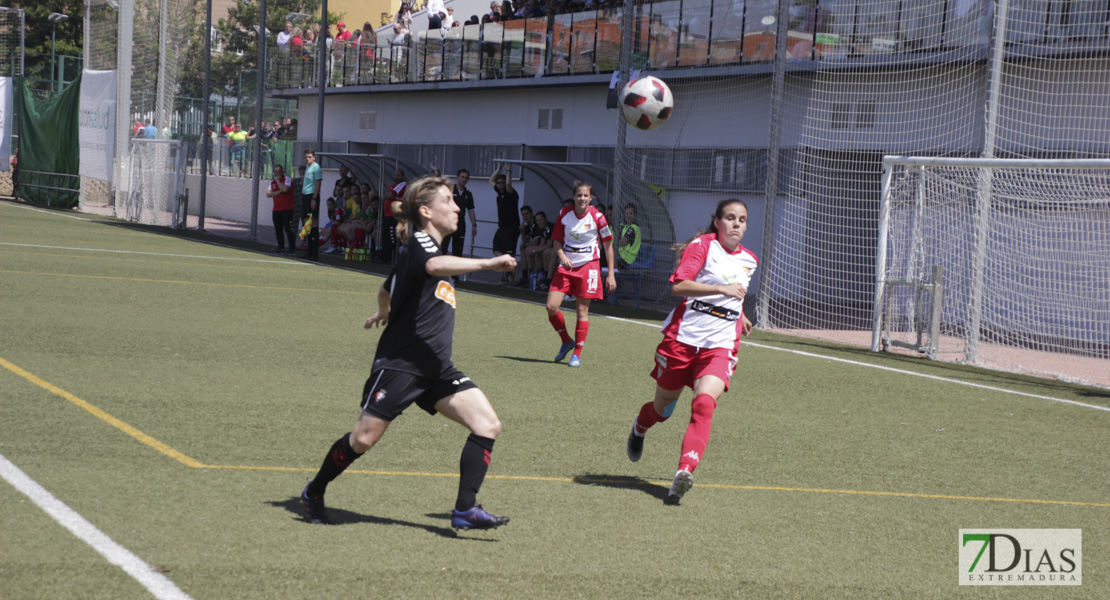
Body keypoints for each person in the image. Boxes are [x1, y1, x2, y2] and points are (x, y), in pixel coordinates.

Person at [300, 176, 517, 530]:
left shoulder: (423, 249)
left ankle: (465, 509)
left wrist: (385, 310)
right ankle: (314, 491)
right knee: (363, 439)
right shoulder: (420, 243)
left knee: (488, 424)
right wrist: (487, 264)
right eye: (449, 200)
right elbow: (433, 267)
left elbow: (386, 288)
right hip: (402, 363)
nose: (457, 206)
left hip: (435, 366)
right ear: (427, 211)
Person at [625, 199, 757, 505]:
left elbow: (734, 297)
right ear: (717, 222)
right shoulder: (702, 246)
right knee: (661, 411)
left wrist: (740, 313)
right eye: (730, 218)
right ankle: (639, 426)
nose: (737, 224)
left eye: (742, 219)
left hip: (720, 346)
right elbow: (680, 286)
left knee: (704, 404)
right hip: (682, 341)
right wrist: (722, 291)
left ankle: (684, 471)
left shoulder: (750, 260)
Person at [544, 181, 617, 367]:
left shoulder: (598, 217)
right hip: (566, 267)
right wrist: (561, 256)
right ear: (574, 196)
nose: (582, 198)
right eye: (579, 195)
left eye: (586, 195)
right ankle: (566, 341)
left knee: (582, 310)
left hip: (589, 267)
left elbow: (608, 246)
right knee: (551, 306)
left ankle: (577, 353)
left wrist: (610, 274)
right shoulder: (564, 214)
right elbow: (557, 242)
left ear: (590, 198)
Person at [488, 163, 520, 283]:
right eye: (499, 183)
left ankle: (509, 276)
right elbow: (491, 180)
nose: (501, 184)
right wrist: (499, 168)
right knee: (496, 248)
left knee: (510, 252)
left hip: (511, 228)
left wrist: (508, 170)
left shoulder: (511, 193)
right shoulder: (499, 193)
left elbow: (508, 184)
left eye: (502, 182)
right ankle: (508, 269)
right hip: (502, 227)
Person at [444, 168, 476, 258]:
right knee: (443, 248)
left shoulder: (468, 194)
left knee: (457, 252)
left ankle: (455, 272)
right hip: (447, 224)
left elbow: (471, 210)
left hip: (460, 226)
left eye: (466, 178)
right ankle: (438, 271)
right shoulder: (450, 190)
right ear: (457, 177)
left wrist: (474, 225)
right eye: (462, 177)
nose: (464, 179)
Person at [266, 165, 297, 255]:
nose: (277, 174)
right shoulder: (272, 182)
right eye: (276, 172)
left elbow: (285, 189)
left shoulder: (287, 179)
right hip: (276, 209)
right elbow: (268, 194)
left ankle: (291, 249)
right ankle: (281, 248)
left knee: (288, 229)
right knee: (278, 229)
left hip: (287, 209)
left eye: (279, 171)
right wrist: (279, 191)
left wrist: (277, 181)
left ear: (282, 172)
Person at [380, 168, 407, 262]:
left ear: (403, 176)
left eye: (398, 175)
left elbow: (390, 195)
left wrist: (389, 195)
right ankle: (384, 257)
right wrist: (387, 195)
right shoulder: (393, 185)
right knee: (386, 236)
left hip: (394, 216)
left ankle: (388, 258)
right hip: (388, 215)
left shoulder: (402, 184)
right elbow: (384, 196)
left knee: (392, 238)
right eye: (395, 175)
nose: (396, 177)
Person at [301, 149, 323, 260]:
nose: (307, 159)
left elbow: (318, 184)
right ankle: (309, 252)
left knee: (313, 224)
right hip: (305, 196)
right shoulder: (308, 167)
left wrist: (314, 198)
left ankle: (314, 254)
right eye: (306, 157)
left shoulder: (316, 167)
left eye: (309, 157)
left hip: (311, 197)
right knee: (307, 225)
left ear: (314, 157)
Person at [618, 203, 642, 267]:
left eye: (631, 213)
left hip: (627, 259)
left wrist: (612, 246)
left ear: (635, 215)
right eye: (626, 213)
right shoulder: (625, 227)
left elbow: (623, 242)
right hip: (621, 256)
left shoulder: (634, 228)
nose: (628, 216)